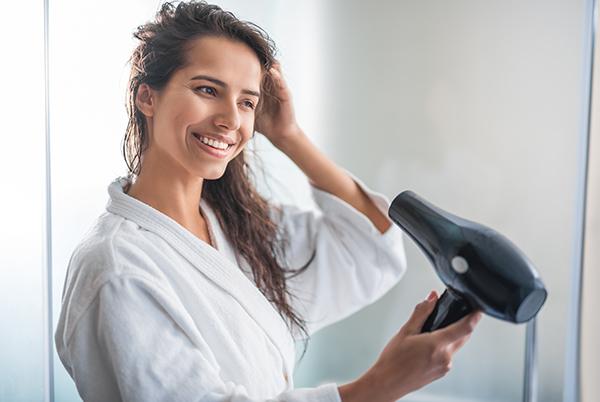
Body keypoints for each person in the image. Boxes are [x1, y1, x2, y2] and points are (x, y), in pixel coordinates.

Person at [54, 1, 482, 401]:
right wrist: (377, 386)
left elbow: (370, 245)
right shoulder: (116, 267)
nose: (230, 119)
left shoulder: (232, 226)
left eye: (247, 102)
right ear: (147, 96)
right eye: (207, 89)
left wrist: (288, 136)